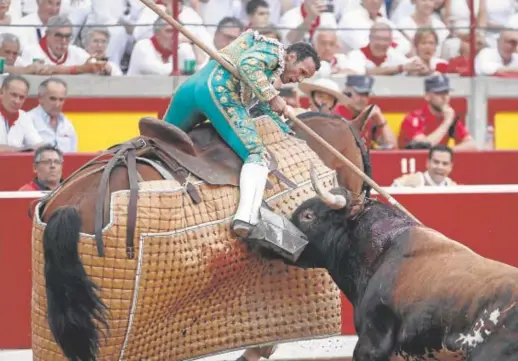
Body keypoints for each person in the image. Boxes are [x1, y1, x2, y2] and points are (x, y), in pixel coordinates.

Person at [163, 29, 320, 259]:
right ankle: (247, 218)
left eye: (305, 78)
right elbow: (248, 65)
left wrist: (284, 125)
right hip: (220, 91)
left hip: (192, 87)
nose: (299, 78)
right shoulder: (274, 51)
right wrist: (273, 96)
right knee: (257, 154)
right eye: (302, 72)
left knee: (160, 137)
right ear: (292, 57)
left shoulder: (265, 69)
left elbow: (262, 104)